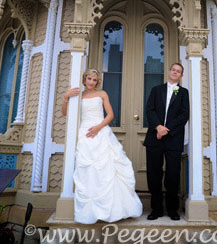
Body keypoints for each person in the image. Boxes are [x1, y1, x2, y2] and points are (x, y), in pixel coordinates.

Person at [62, 68, 142, 224]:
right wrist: (65, 97)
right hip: (85, 134)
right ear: (84, 79)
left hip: (100, 132)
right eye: (89, 79)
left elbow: (110, 115)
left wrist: (98, 128)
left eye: (95, 80)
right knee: (88, 170)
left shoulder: (102, 94)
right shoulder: (78, 95)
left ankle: (111, 209)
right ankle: (90, 211)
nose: (92, 82)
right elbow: (65, 114)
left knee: (106, 170)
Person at [143, 63, 189, 221]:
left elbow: (184, 114)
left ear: (181, 76)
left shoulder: (183, 93)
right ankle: (156, 209)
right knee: (154, 174)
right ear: (169, 72)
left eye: (179, 71)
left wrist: (166, 129)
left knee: (173, 175)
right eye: (174, 70)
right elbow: (150, 110)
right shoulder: (156, 90)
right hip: (154, 138)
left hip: (173, 139)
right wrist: (158, 127)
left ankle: (172, 210)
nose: (175, 72)